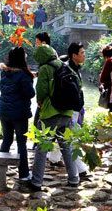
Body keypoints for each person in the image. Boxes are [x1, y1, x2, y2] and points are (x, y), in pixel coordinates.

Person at [24, 42, 82, 191]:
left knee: (42, 148)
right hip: (67, 113)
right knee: (66, 147)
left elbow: (41, 90)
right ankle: (74, 178)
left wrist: (40, 103)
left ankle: (36, 182)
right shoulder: (66, 66)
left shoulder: (45, 68)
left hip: (51, 113)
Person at [0, 47, 35, 181]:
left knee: (7, 139)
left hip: (4, 111)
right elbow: (30, 93)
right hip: (19, 113)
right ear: (21, 59)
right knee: (21, 143)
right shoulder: (24, 75)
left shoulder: (4, 73)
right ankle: (24, 174)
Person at [64, 42, 90, 181]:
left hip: (74, 109)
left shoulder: (73, 68)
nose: (84, 55)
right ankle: (80, 170)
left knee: (65, 137)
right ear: (74, 55)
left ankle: (53, 158)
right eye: (82, 53)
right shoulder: (69, 69)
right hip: (71, 110)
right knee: (73, 139)